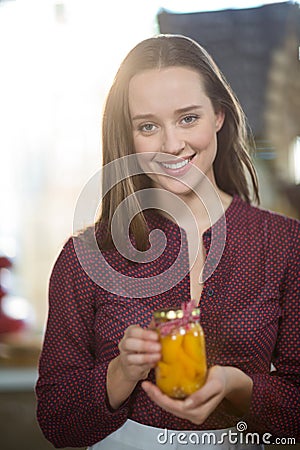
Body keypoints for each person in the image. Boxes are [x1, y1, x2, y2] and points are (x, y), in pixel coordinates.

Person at [36, 34, 300, 449]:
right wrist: (121, 371)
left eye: (188, 118)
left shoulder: (285, 244)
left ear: (219, 115)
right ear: (127, 135)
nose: (172, 144)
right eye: (148, 126)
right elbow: (57, 423)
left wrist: (239, 386)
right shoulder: (85, 256)